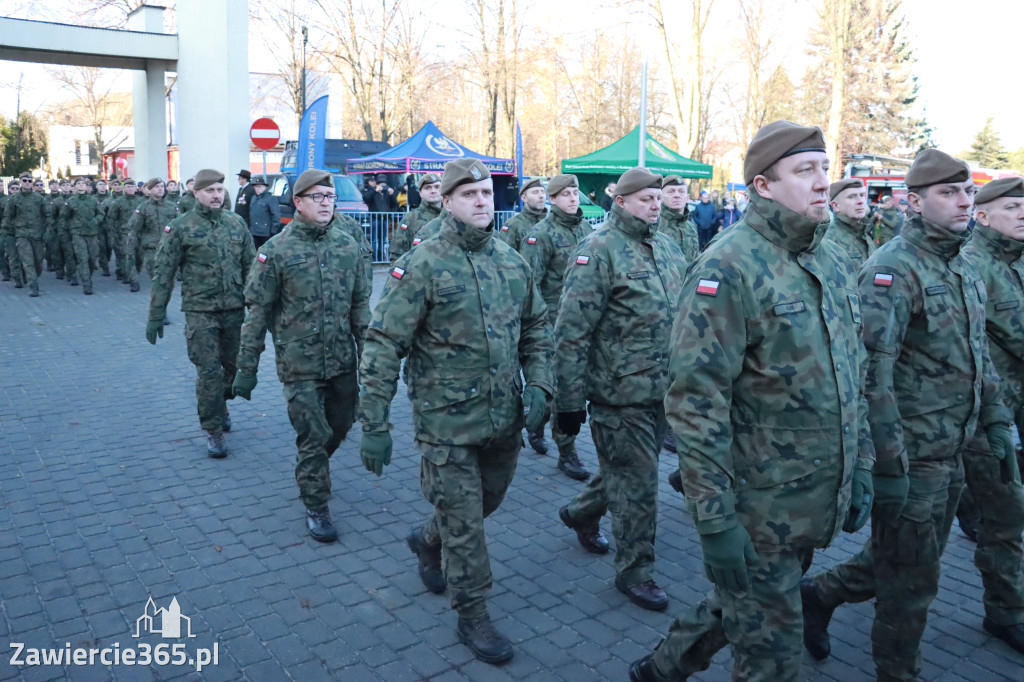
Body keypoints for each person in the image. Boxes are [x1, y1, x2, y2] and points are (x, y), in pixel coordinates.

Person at [630, 121, 873, 682]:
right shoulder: (728, 267)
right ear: (763, 186)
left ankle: (663, 667)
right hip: (758, 507)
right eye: (804, 171)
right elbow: (696, 403)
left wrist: (859, 466)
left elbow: (851, 376)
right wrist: (714, 521)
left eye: (824, 169)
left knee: (744, 601)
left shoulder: (829, 261)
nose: (821, 183)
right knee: (771, 658)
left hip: (813, 497)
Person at [799, 149, 1014, 681]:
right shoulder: (892, 270)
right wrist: (888, 465)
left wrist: (994, 420)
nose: (964, 200)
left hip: (956, 447)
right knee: (912, 583)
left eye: (966, 191)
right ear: (915, 203)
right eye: (949, 192)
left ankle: (820, 594)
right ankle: (898, 671)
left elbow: (976, 355)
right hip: (913, 455)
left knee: (909, 561)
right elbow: (872, 376)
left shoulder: (962, 263)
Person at [357, 158, 553, 665]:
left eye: (486, 192)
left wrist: (541, 386)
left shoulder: (511, 261)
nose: (481, 201)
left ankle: (426, 539)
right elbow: (383, 343)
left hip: (501, 416)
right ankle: (474, 614)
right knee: (466, 524)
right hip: (444, 420)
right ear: (445, 202)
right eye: (468, 194)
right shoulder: (422, 263)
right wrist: (374, 421)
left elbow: (536, 329)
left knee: (485, 502)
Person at [555, 167, 686, 614]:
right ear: (623, 201)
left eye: (659, 197)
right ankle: (636, 572)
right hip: (618, 395)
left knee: (626, 473)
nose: (655, 204)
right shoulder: (597, 250)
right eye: (647, 199)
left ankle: (581, 511)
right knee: (639, 488)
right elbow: (571, 333)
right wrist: (568, 403)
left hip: (662, 391)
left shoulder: (666, 247)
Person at [233, 169, 371, 542]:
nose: (326, 203)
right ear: (298, 202)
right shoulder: (275, 251)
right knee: (313, 434)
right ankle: (316, 503)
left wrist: (370, 359)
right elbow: (257, 313)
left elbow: (360, 308)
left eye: (330, 197)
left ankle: (314, 468)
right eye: (318, 198)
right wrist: (247, 367)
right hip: (300, 364)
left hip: (342, 360)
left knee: (340, 426)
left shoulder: (347, 246)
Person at [951, 176, 1024, 654]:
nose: (1023, 214)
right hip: (980, 414)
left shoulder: (1017, 262)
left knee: (1005, 514)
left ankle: (1005, 608)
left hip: (1008, 412)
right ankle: (1006, 612)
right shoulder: (972, 265)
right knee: (1005, 515)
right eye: (1014, 207)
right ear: (983, 216)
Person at [146, 169, 255, 458]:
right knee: (208, 372)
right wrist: (156, 313)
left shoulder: (236, 223)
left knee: (232, 370)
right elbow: (164, 272)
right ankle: (213, 430)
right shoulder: (180, 226)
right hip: (200, 311)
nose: (217, 195)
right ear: (197, 193)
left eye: (220, 190)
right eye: (210, 191)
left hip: (234, 309)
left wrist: (259, 306)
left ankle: (220, 404)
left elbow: (251, 268)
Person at [518, 174, 591, 479]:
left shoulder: (587, 229)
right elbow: (529, 284)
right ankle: (566, 450)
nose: (573, 198)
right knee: (562, 388)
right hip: (552, 325)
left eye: (575, 193)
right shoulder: (541, 235)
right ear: (553, 199)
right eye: (566, 194)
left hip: (584, 324)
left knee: (574, 386)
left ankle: (537, 422)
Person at [126, 178, 179, 293]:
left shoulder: (171, 206)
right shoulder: (143, 207)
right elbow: (134, 227)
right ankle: (158, 305)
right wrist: (132, 245)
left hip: (169, 248)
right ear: (149, 190)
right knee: (157, 279)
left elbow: (179, 225)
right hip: (151, 249)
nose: (160, 189)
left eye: (162, 186)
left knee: (169, 279)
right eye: (156, 187)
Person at [2, 174, 49, 296]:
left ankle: (33, 276)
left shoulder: (39, 198)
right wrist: (6, 231)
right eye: (24, 181)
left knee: (38, 261)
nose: (27, 182)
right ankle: (33, 285)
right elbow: (8, 216)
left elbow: (47, 215)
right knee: (27, 260)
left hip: (37, 234)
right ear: (20, 182)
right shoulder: (14, 199)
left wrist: (48, 230)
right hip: (21, 234)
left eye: (29, 181)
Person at [824, 178, 876, 268]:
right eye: (851, 196)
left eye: (862, 195)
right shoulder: (828, 239)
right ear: (836, 206)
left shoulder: (864, 234)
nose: (860, 201)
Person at [389, 173, 442, 261]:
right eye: (427, 188)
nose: (433, 191)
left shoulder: (453, 216)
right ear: (420, 193)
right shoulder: (410, 219)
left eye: (437, 187)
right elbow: (397, 254)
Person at [64, 177, 102, 295]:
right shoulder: (71, 201)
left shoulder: (93, 200)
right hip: (78, 234)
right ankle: (87, 283)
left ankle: (86, 275)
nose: (81, 185)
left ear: (86, 186)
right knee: (83, 258)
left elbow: (101, 214)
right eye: (78, 183)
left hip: (92, 233)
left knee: (92, 258)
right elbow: (65, 217)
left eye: (83, 183)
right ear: (74, 187)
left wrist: (95, 221)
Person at [657, 175, 699, 263]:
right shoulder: (654, 225)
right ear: (661, 197)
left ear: (687, 198)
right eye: (671, 192)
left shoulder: (691, 228)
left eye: (681, 192)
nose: (677, 195)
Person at [497, 177, 548, 250]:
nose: (541, 196)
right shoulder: (513, 225)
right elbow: (504, 256)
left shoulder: (552, 223)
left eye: (543, 192)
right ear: (524, 198)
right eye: (535, 192)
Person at [247, 175, 281, 249]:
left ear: (264, 187)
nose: (257, 189)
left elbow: (276, 215)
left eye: (260, 186)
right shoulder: (254, 198)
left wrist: (273, 231)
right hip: (254, 232)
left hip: (266, 233)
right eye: (256, 187)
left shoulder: (270, 198)